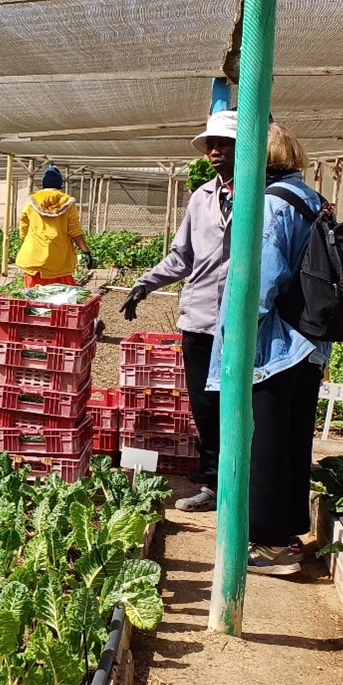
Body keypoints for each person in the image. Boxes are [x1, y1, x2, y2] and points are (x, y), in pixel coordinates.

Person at [206, 123, 329, 576]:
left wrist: (237, 335)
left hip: (273, 344)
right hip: (307, 341)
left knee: (265, 441)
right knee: (293, 440)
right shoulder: (309, 197)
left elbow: (260, 281)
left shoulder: (272, 203)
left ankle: (271, 546)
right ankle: (288, 534)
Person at [122, 111, 236, 512]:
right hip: (202, 317)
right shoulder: (202, 197)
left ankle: (239, 483)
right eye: (211, 146)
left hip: (245, 322)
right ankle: (211, 480)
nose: (215, 152)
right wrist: (145, 283)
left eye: (225, 144)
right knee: (204, 404)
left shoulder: (264, 198)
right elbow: (181, 256)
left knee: (239, 405)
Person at [14, 165, 94, 287]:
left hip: (34, 259)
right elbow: (75, 231)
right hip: (59, 260)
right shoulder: (68, 203)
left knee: (34, 299)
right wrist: (86, 252)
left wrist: (27, 242)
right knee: (60, 298)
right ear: (59, 185)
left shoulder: (31, 202)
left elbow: (23, 226)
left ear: (43, 184)